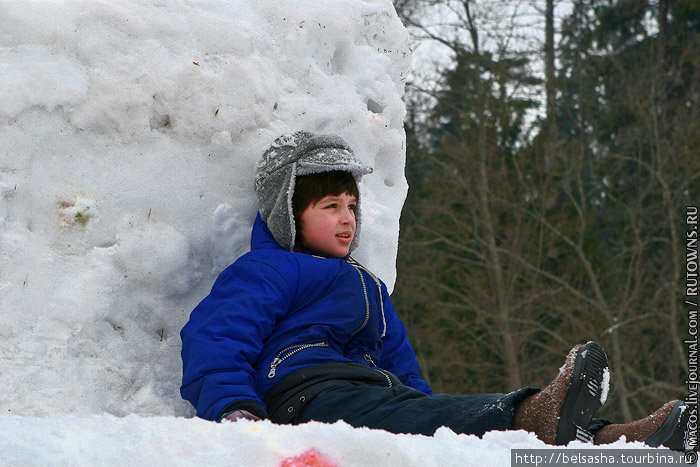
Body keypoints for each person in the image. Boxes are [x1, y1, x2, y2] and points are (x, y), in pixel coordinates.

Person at [180, 131, 691, 450]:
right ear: (291, 214)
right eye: (330, 206)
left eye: (352, 207)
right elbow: (217, 338)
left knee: (436, 415)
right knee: (429, 416)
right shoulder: (270, 270)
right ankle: (538, 412)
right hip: (305, 393)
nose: (346, 220)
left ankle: (613, 439)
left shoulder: (370, 289)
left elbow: (404, 371)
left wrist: (434, 428)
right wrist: (234, 406)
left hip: (372, 393)